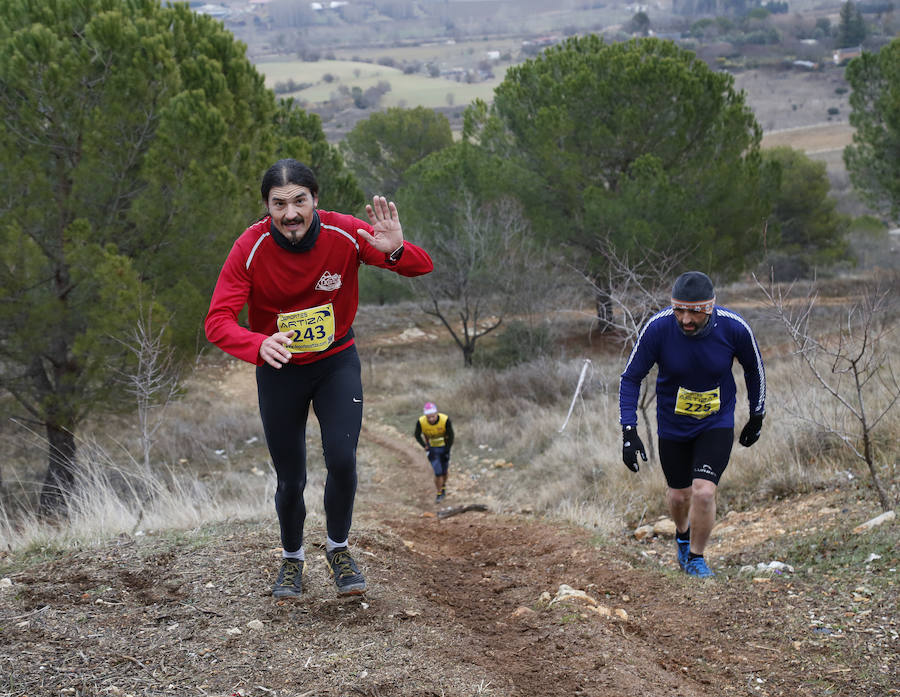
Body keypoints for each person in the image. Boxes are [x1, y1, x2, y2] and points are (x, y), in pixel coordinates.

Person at [205, 158, 433, 598]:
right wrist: (257, 345)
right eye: (279, 204)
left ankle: (339, 549)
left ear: (315, 200)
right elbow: (218, 320)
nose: (290, 213)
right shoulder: (249, 248)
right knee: (291, 478)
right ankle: (292, 560)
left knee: (343, 460)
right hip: (280, 369)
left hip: (335, 362)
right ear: (266, 207)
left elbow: (420, 268)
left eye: (299, 201)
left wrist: (397, 249)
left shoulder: (345, 232)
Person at [618, 271, 766, 578]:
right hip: (673, 425)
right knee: (678, 496)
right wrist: (628, 430)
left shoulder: (734, 328)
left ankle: (697, 558)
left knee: (703, 492)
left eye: (694, 312)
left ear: (710, 306)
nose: (685, 319)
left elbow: (754, 370)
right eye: (678, 310)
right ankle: (682, 535)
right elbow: (631, 377)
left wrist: (757, 414)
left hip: (716, 421)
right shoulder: (658, 328)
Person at [414, 402, 455, 503]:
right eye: (429, 417)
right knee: (438, 472)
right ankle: (439, 493)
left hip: (444, 448)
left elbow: (451, 435)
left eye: (433, 416)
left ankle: (443, 486)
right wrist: (424, 446)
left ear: (436, 413)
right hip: (432, 449)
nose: (431, 419)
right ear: (425, 416)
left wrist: (448, 447)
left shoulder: (445, 420)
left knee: (444, 471)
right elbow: (417, 435)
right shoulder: (421, 422)